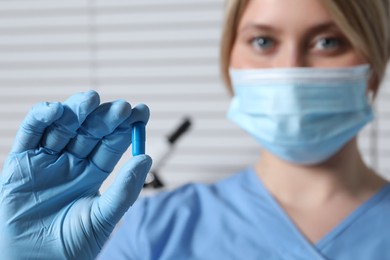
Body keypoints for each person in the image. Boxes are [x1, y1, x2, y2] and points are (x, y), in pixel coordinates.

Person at [1, 0, 390, 259]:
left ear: (374, 61)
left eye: (327, 41)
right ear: (229, 63)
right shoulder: (155, 231)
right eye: (262, 40)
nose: (289, 68)